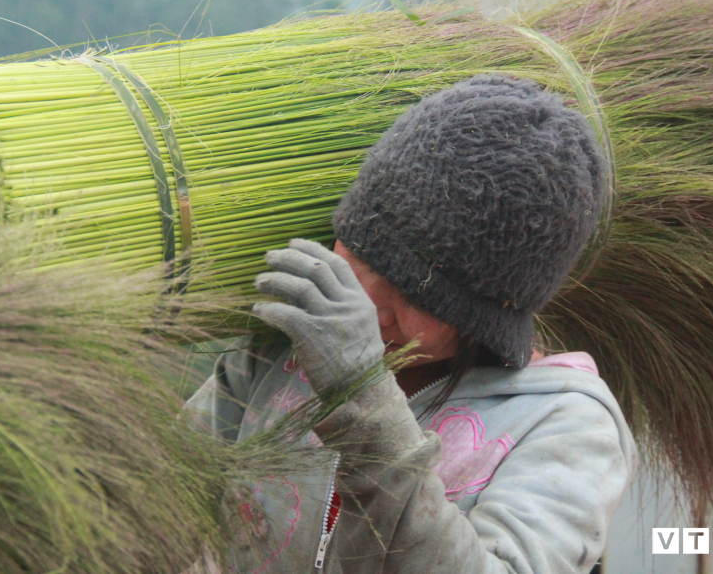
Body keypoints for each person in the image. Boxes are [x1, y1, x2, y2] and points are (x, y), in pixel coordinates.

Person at [186, 74, 636, 574]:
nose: (364, 303)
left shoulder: (564, 427)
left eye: (415, 294)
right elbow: (164, 496)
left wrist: (361, 395)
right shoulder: (289, 344)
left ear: (481, 321)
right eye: (362, 254)